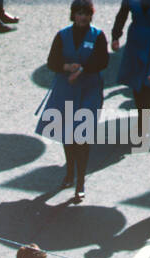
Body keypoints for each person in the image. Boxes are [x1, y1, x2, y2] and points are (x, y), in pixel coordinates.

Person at [36, 1, 110, 202]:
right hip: (66, 89)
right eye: (79, 13)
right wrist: (67, 67)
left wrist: (83, 69)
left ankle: (80, 183)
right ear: (73, 15)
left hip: (89, 90)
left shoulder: (98, 36)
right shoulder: (62, 35)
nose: (83, 17)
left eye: (86, 13)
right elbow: (52, 61)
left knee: (82, 136)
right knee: (67, 134)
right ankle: (69, 173)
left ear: (91, 15)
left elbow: (103, 60)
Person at [111, 1, 150, 140]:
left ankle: (143, 121)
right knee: (137, 80)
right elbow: (122, 15)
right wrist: (115, 36)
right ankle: (141, 116)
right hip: (136, 40)